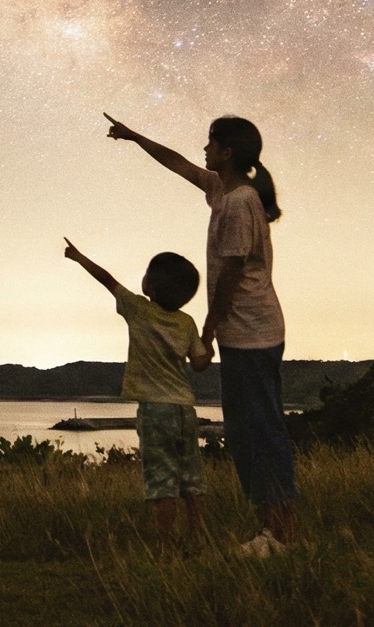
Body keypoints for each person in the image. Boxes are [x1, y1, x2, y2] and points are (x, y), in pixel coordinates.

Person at [102, 112, 299, 555]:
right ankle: (274, 528)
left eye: (211, 143)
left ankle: (280, 533)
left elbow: (230, 274)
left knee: (259, 432)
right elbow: (177, 164)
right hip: (245, 334)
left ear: (227, 152)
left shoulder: (239, 202)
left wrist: (207, 332)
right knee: (250, 431)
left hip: (250, 334)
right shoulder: (221, 190)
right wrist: (135, 136)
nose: (204, 149)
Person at [60, 237, 212, 556]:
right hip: (185, 410)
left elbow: (107, 279)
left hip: (155, 412)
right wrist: (207, 340)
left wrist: (77, 256)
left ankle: (166, 545)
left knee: (162, 483)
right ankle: (198, 536)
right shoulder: (186, 322)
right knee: (191, 479)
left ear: (150, 288)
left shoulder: (138, 309)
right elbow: (199, 364)